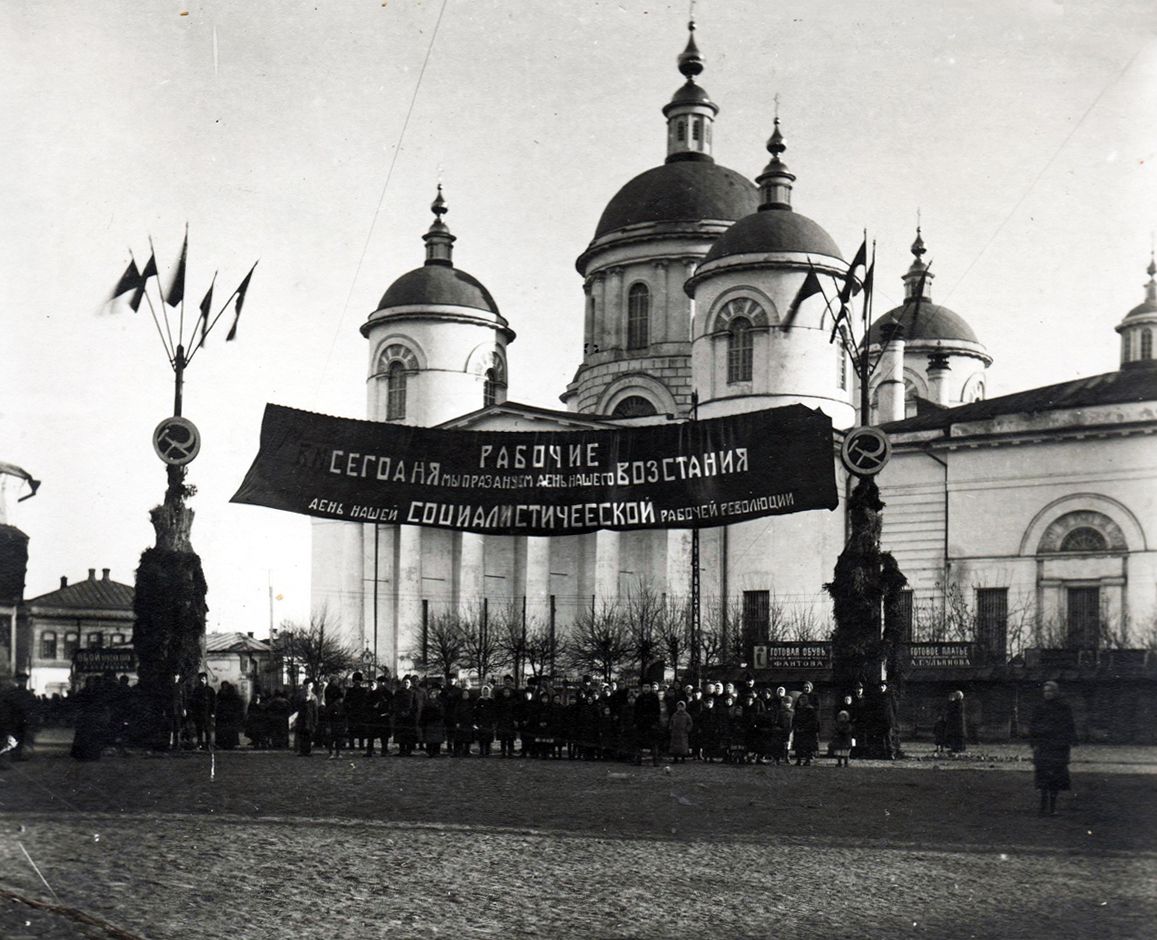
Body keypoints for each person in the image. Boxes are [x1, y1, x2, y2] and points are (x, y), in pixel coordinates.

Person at [1030, 681, 1077, 817]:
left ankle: (1052, 808)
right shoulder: (1039, 707)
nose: (1047, 694)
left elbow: (1069, 724)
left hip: (1058, 747)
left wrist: (1070, 740)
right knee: (1043, 777)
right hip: (1043, 746)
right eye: (1045, 691)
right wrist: (1034, 740)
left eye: (1050, 691)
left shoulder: (1063, 707)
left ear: (1055, 692)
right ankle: (1042, 807)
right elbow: (1033, 725)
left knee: (1056, 777)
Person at [189, 672, 217, 750]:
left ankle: (208, 744)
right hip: (198, 713)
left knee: (207, 729)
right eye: (201, 679)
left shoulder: (210, 690)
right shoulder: (196, 690)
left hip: (207, 713)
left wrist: (212, 712)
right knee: (199, 729)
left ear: (206, 680)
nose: (202, 681)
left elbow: (213, 702)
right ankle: (200, 743)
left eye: (204, 679)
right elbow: (193, 702)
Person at [214, 681, 245, 750]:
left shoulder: (232, 695)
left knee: (230, 731)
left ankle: (231, 743)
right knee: (223, 731)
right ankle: (222, 743)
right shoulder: (220, 694)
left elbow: (237, 704)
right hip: (222, 716)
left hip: (230, 716)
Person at [792, 693, 820, 766]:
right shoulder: (798, 709)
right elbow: (795, 719)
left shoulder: (810, 710)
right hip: (799, 730)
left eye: (803, 700)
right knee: (799, 746)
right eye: (801, 700)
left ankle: (807, 760)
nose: (802, 701)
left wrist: (805, 728)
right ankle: (798, 760)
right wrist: (796, 727)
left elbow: (813, 721)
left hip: (808, 731)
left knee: (807, 747)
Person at [295, 680, 319, 756]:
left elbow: (315, 710)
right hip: (301, 717)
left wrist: (315, 721)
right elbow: (296, 706)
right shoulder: (299, 696)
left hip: (310, 718)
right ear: (304, 686)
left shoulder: (314, 697)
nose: (309, 688)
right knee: (302, 734)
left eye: (310, 686)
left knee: (309, 735)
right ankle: (301, 751)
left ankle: (307, 751)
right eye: (307, 686)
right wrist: (304, 701)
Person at [944, 690, 967, 755]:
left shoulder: (959, 703)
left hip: (957, 723)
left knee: (958, 736)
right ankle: (956, 747)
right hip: (957, 723)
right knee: (956, 735)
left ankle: (958, 748)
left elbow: (952, 710)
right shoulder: (958, 703)